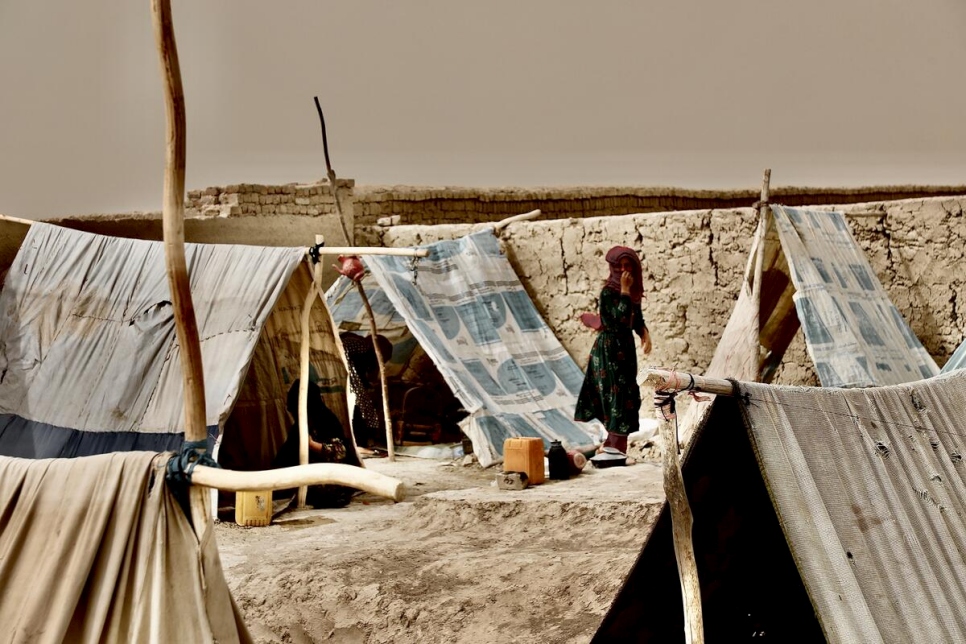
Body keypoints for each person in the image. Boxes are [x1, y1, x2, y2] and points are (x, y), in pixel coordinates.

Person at [574, 246, 652, 456]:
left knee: (628, 397)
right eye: (620, 266)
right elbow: (618, 321)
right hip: (609, 351)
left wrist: (644, 332)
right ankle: (615, 449)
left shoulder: (632, 291)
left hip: (625, 350)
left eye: (628, 266)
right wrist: (625, 291)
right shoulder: (608, 292)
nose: (624, 270)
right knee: (615, 396)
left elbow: (635, 316)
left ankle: (613, 447)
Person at [272, 379, 353, 508]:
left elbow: (340, 451)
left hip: (331, 479)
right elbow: (286, 455)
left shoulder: (326, 420)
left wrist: (312, 445)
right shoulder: (300, 425)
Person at [340, 332, 393, 447]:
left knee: (361, 404)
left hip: (342, 371)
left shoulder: (359, 344)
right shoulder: (364, 348)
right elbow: (360, 371)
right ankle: (364, 438)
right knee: (362, 405)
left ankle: (362, 437)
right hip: (345, 371)